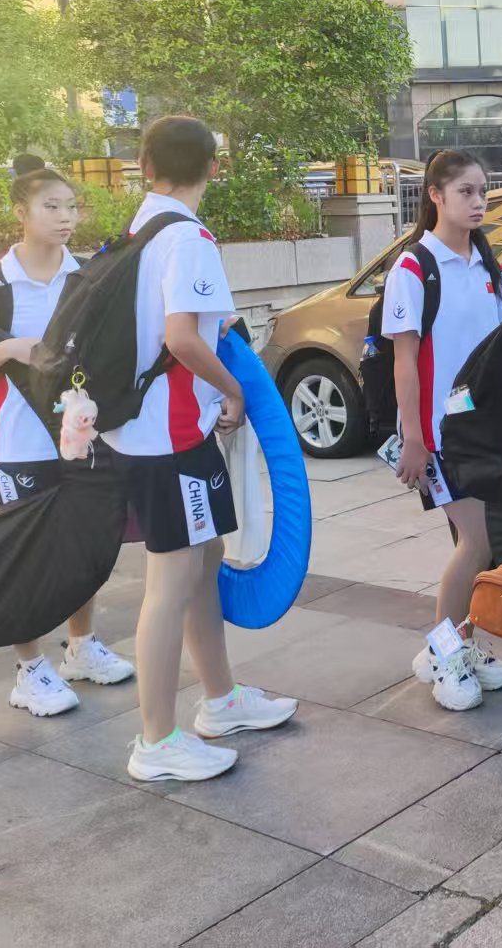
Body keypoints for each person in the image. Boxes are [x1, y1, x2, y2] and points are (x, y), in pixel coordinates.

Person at [109, 115, 297, 782]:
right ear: (214, 167)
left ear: (144, 165)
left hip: (154, 432)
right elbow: (183, 338)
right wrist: (234, 391)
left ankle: (220, 699)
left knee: (205, 558)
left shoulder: (139, 229)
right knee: (172, 580)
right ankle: (156, 741)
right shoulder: (186, 238)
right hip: (168, 437)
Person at [0, 162, 136, 718]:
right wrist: (13, 348)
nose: (65, 217)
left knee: (84, 544)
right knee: (24, 554)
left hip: (79, 437)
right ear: (21, 212)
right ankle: (29, 668)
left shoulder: (86, 276)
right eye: (51, 206)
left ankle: (81, 646)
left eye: (71, 206)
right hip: (16, 444)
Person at [384, 150, 502, 712]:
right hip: (440, 436)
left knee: (478, 548)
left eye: (483, 190)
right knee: (477, 544)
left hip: (486, 431)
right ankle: (444, 654)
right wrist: (414, 439)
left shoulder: (490, 265)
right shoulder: (413, 267)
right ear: (435, 195)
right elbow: (405, 362)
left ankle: (460, 642)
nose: (479, 201)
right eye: (466, 191)